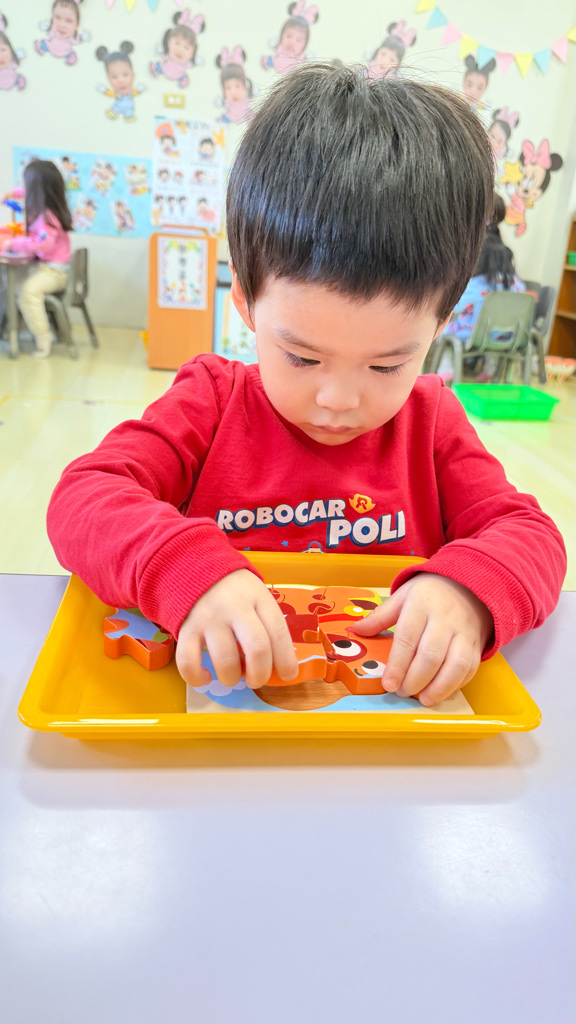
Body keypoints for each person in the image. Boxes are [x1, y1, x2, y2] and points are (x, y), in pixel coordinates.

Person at [47, 65, 565, 708]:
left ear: (441, 322)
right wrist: (184, 569)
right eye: (301, 356)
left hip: (386, 743)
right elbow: (84, 498)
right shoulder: (211, 401)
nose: (338, 400)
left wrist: (469, 592)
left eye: (386, 366)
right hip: (213, 736)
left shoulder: (432, 421)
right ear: (245, 300)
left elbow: (531, 536)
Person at [1, 159, 72, 358]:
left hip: (54, 272)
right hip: (48, 268)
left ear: (36, 188)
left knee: (27, 292)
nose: (24, 189)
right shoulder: (46, 207)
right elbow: (25, 192)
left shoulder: (48, 217)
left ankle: (43, 338)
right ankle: (18, 331)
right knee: (16, 289)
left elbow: (42, 244)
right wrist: (12, 194)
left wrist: (13, 244)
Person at [449, 195, 525, 351]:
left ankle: (448, 365)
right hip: (506, 337)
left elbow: (455, 306)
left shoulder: (477, 284)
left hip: (471, 336)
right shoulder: (514, 282)